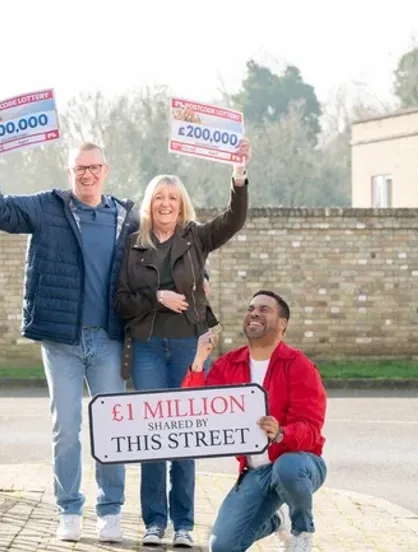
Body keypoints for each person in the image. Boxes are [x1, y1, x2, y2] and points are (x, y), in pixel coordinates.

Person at [0, 126, 136, 543]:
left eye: (94, 167)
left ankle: (111, 510)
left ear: (106, 170)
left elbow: (168, 250)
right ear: (69, 171)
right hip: (62, 341)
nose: (87, 175)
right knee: (66, 428)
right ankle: (69, 510)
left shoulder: (127, 217)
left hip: (109, 340)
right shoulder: (47, 208)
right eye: (80, 168)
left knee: (111, 427)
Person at [113, 139, 251, 548]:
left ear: (182, 204)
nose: (166, 203)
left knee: (185, 437)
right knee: (153, 437)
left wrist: (238, 176)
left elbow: (233, 220)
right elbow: (120, 302)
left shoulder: (196, 238)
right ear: (150, 203)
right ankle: (154, 522)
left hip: (189, 347)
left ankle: (184, 524)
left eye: (173, 198)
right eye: (159, 197)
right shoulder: (132, 243)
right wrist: (155, 297)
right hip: (147, 348)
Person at [181, 290, 328, 552]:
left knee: (287, 467)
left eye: (264, 309)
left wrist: (281, 433)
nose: (254, 314)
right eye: (251, 309)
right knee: (222, 546)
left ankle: (302, 531)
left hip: (299, 463)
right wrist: (199, 361)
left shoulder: (299, 365)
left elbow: (311, 429)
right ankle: (277, 519)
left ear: (282, 324)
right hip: (255, 472)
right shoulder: (230, 364)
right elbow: (196, 411)